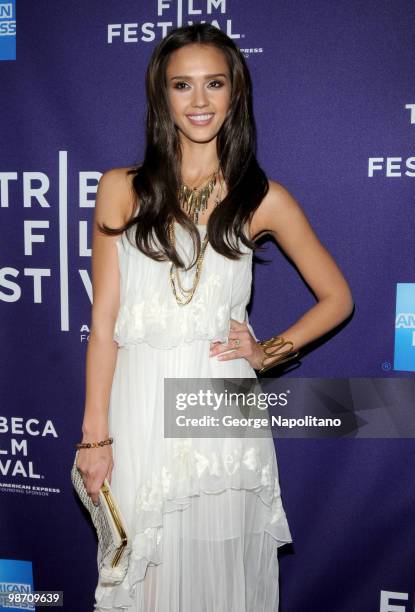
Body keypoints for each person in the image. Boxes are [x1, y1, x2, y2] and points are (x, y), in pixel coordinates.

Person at [75, 22, 354, 612]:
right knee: (141, 572)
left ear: (234, 94)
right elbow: (103, 325)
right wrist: (94, 436)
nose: (199, 101)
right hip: (139, 403)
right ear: (163, 96)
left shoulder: (263, 197)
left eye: (214, 84)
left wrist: (267, 351)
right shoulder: (119, 189)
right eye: (182, 85)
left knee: (216, 575)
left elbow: (338, 298)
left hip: (218, 409)